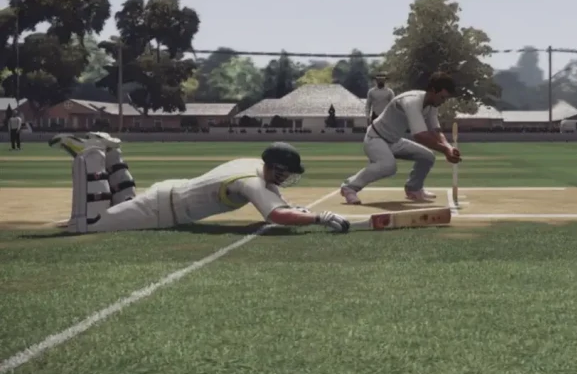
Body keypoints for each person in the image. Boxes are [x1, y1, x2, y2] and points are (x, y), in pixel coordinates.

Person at [49, 133, 351, 235]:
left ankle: (111, 151)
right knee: (87, 225)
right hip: (162, 210)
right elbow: (275, 215)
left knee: (123, 203)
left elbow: (278, 200)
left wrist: (298, 210)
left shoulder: (252, 166)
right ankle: (89, 155)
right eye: (283, 172)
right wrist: (318, 218)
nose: (285, 178)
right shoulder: (250, 182)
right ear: (272, 167)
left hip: (167, 194)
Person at [340, 72, 461, 204]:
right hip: (375, 138)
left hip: (394, 141)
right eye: (442, 97)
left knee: (427, 157)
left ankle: (414, 189)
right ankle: (349, 187)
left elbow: (436, 130)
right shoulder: (412, 101)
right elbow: (420, 136)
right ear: (433, 90)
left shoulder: (432, 105)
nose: (443, 101)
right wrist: (445, 151)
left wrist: (449, 147)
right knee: (388, 166)